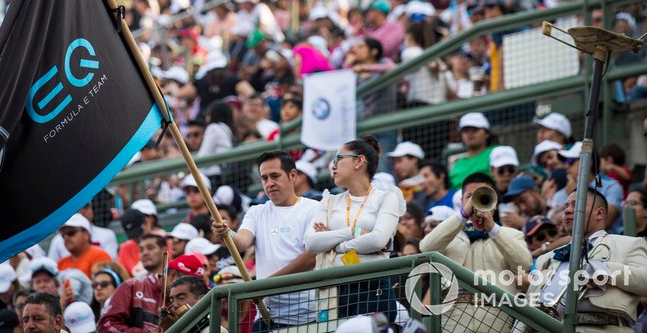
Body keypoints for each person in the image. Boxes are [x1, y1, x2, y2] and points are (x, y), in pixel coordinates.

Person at [211, 151, 318, 331]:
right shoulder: (256, 211)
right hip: (267, 316)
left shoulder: (314, 208)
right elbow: (242, 242)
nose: (269, 183)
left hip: (307, 315)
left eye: (275, 176)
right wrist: (227, 232)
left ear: (293, 175)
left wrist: (267, 285)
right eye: (264, 178)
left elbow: (311, 257)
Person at [305, 136, 406, 321]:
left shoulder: (387, 197)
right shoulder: (329, 200)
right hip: (337, 290)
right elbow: (311, 243)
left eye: (338, 158)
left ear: (359, 161)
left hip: (373, 287)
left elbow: (378, 240)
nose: (332, 166)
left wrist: (335, 245)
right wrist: (354, 232)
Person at [521, 189, 647, 330]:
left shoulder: (629, 244)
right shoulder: (547, 258)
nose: (568, 211)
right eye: (566, 206)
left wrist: (606, 270)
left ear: (599, 213)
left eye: (576, 205)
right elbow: (528, 306)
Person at [420, 173, 531, 332]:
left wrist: (491, 227)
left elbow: (524, 263)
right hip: (452, 321)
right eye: (470, 197)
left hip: (496, 319)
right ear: (462, 201)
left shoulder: (511, 235)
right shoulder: (449, 235)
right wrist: (464, 215)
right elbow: (426, 248)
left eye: (483, 196)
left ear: (495, 202)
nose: (476, 202)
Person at [98, 234, 167, 333]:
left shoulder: (178, 280)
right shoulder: (132, 286)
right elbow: (107, 324)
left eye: (150, 248)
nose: (145, 253)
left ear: (164, 250)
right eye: (141, 250)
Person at [47, 204, 118, 262]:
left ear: (86, 235)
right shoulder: (61, 262)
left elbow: (109, 264)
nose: (66, 237)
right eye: (63, 234)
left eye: (71, 233)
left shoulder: (106, 238)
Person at [448, 112, 495, 187]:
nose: (470, 134)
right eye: (466, 131)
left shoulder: (495, 152)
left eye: (475, 130)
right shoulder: (457, 163)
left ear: (487, 133)